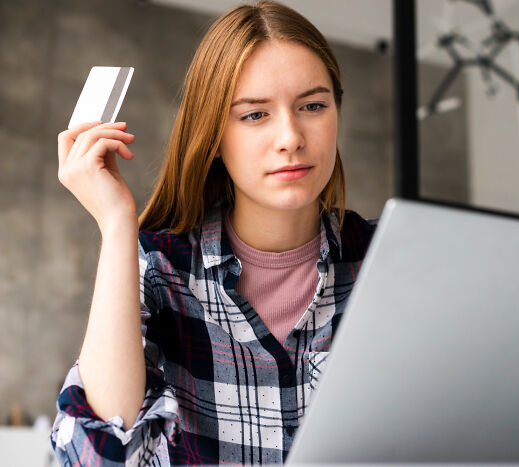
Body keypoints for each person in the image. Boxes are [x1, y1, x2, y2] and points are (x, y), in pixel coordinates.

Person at [50, 2, 376, 464]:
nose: (291, 136)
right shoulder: (159, 269)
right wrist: (117, 224)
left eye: (313, 106)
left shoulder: (387, 262)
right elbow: (97, 456)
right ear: (214, 136)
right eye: (254, 115)